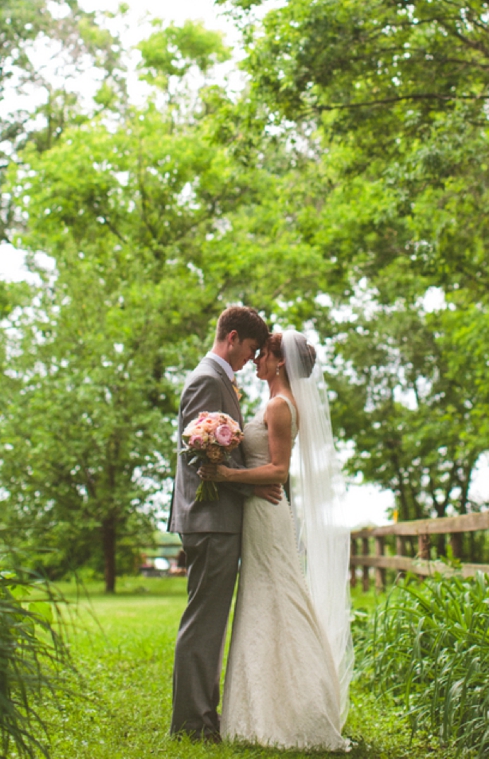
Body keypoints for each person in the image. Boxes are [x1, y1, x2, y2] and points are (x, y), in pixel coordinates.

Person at [200, 329, 353, 751]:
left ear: (280, 360)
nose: (255, 361)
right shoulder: (273, 402)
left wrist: (227, 476)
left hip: (268, 515)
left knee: (279, 596)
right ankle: (259, 708)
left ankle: (300, 709)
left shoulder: (280, 406)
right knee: (260, 600)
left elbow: (279, 472)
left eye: (262, 355)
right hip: (257, 511)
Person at [168, 305, 281, 742]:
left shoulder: (219, 380)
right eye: (251, 349)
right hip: (210, 517)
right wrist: (249, 486)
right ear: (232, 337)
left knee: (209, 619)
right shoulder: (206, 380)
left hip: (217, 517)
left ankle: (199, 715)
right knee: (205, 620)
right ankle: (192, 723)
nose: (252, 359)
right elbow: (200, 461)